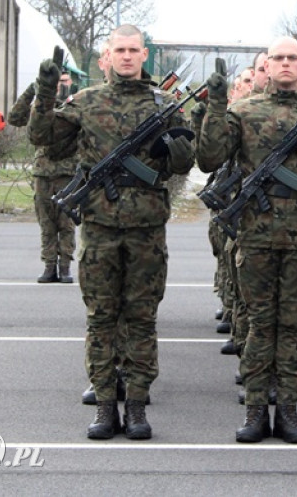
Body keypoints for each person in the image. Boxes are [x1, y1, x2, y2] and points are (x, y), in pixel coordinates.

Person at [28, 24, 195, 441]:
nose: (126, 56)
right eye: (119, 49)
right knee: (101, 319)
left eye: (133, 50)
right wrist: (45, 93)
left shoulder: (167, 104)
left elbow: (188, 162)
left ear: (144, 56)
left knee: (141, 319)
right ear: (108, 55)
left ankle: (136, 405)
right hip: (100, 228)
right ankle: (105, 405)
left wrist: (178, 153)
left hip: (146, 229)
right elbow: (42, 137)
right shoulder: (86, 102)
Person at [197, 37, 297, 444]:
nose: (285, 64)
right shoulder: (243, 110)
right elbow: (209, 158)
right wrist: (215, 107)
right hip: (255, 233)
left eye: (292, 59)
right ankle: (254, 410)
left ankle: (287, 408)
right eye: (277, 59)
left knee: (291, 327)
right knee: (258, 325)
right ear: (266, 66)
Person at [8, 82, 78, 284]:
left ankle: (65, 266)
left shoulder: (73, 104)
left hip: (67, 172)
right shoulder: (39, 107)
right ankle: (49, 265)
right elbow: (14, 118)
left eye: (63, 81)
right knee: (46, 223)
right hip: (43, 173)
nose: (58, 86)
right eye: (55, 81)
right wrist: (32, 90)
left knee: (66, 222)